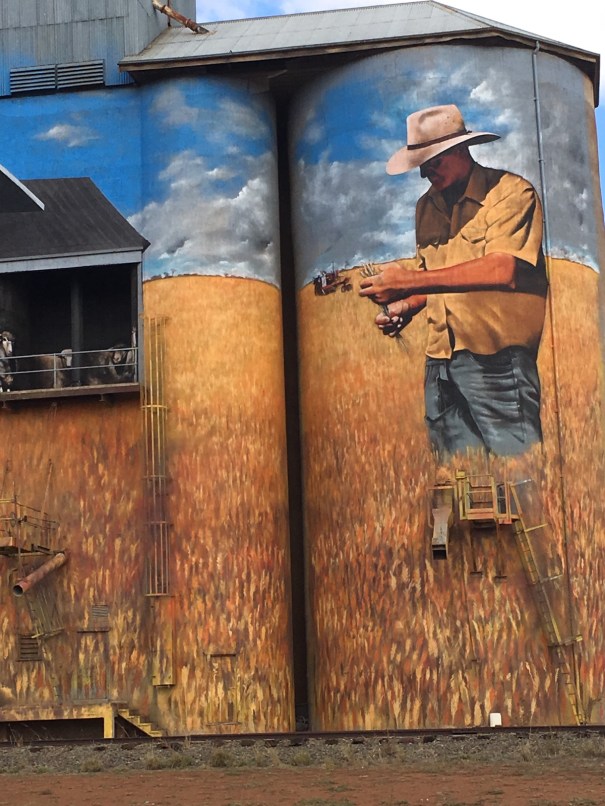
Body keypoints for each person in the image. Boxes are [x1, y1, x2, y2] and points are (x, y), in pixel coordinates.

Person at [359, 104, 547, 457]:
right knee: (457, 476)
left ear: (461, 149)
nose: (426, 173)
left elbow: (502, 270)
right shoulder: (425, 207)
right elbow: (433, 282)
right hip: (440, 361)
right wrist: (405, 306)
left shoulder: (510, 194)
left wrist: (409, 281)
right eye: (422, 165)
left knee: (520, 471)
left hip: (498, 362)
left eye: (435, 161)